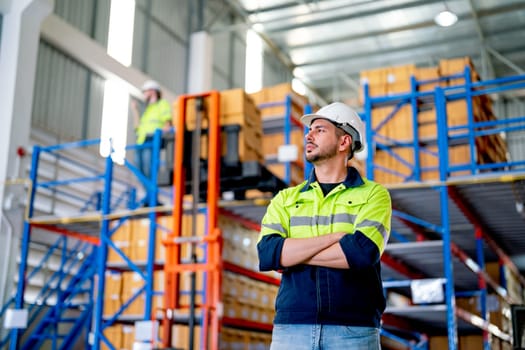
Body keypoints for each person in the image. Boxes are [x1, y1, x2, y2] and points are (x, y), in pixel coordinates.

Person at [257, 102, 392, 350]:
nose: (308, 135)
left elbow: (362, 253)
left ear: (344, 142)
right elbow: (268, 254)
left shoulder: (374, 195)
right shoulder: (286, 199)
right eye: (310, 130)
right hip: (292, 329)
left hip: (354, 331)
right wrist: (336, 238)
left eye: (319, 129)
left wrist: (292, 256)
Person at [131, 80, 172, 179]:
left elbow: (167, 123)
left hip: (152, 140)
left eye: (145, 92)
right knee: (139, 169)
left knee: (149, 167)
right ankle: (149, 192)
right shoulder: (148, 109)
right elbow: (137, 127)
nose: (144, 94)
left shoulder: (162, 104)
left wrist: (164, 133)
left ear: (153, 91)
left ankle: (151, 192)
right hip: (141, 141)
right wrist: (135, 110)